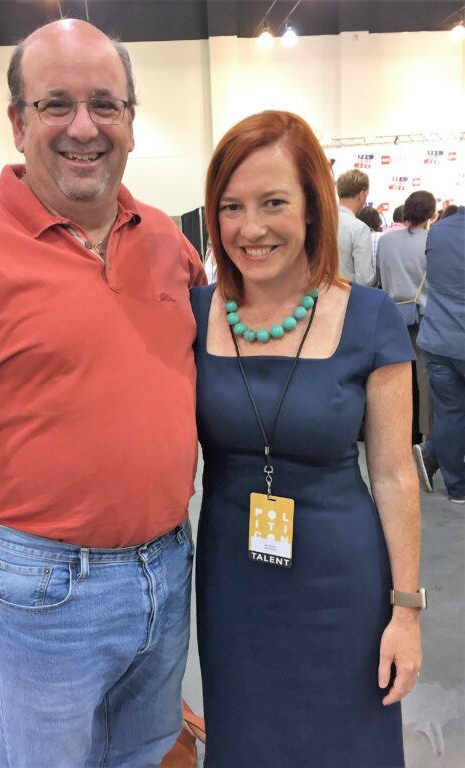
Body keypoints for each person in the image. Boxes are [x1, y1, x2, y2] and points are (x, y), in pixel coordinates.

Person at [0, 20, 205, 768]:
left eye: (105, 104)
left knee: (147, 751)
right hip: (47, 585)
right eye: (56, 103)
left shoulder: (167, 242)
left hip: (168, 565)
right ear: (17, 122)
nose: (83, 127)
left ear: (131, 120)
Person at [191, 111, 424, 767]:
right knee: (247, 740)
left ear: (313, 208)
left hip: (342, 586)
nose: (251, 228)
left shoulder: (370, 318)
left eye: (273, 203)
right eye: (231, 207)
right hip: (234, 584)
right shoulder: (195, 313)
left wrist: (406, 611)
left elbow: (394, 474)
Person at [413, 205, 465, 504]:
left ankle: (456, 486)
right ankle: (433, 454)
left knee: (449, 413)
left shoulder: (439, 230)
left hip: (438, 338)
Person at [377, 190, 436, 442]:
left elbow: (378, 277)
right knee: (424, 379)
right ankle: (425, 438)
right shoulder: (432, 242)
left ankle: (391, 433)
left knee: (390, 378)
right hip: (422, 317)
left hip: (389, 317)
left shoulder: (385, 241)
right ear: (431, 214)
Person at [336, 168, 375, 286]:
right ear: (361, 195)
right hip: (346, 293)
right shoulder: (359, 229)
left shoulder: (319, 221)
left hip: (314, 294)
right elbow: (365, 279)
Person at [357, 204, 384, 277]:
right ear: (377, 220)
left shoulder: (356, 237)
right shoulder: (383, 237)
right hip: (380, 278)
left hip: (359, 278)